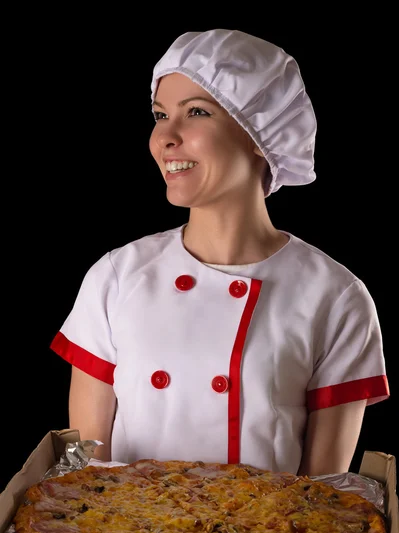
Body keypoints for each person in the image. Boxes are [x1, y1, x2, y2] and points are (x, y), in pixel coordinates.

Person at [50, 29, 390, 476]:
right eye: (159, 114)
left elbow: (319, 500)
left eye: (195, 112)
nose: (165, 137)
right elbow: (85, 478)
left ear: (259, 133)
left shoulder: (335, 296)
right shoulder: (116, 277)